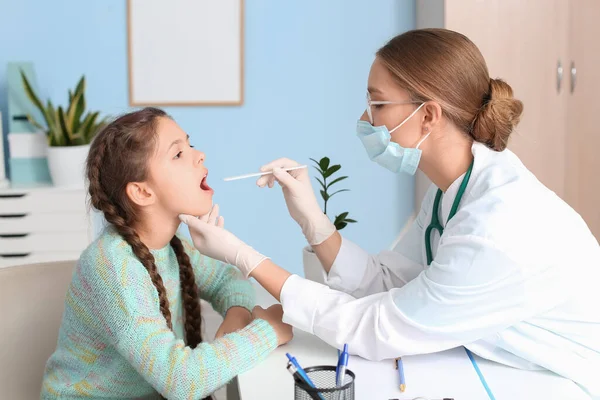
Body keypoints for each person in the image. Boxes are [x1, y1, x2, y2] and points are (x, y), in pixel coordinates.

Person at [178, 28, 600, 397]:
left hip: (559, 379)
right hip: (505, 363)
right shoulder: (449, 194)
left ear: (428, 115)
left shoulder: (497, 225)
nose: (365, 118)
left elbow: (378, 326)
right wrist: (312, 219)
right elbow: (387, 284)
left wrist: (244, 257)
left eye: (378, 105)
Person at [40, 107, 293, 400]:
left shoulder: (171, 246)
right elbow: (181, 381)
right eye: (178, 154)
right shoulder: (112, 267)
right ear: (143, 193)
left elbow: (230, 279)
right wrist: (268, 331)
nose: (200, 155)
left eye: (190, 145)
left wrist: (237, 313)